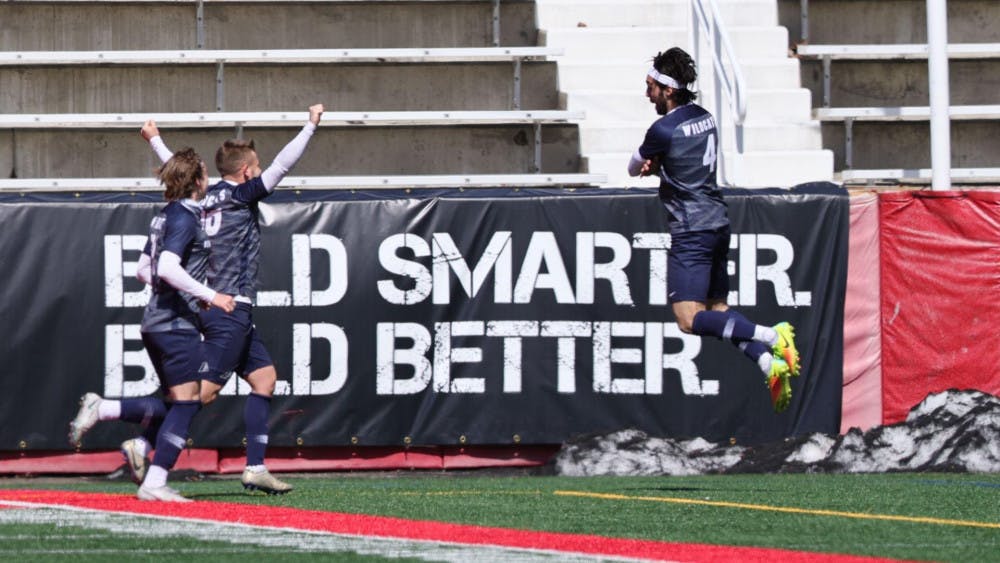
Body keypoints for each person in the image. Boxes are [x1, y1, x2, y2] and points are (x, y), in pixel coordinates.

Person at [124, 104, 325, 494]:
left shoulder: (205, 196)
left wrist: (156, 141)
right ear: (247, 171)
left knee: (264, 378)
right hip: (227, 307)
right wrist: (310, 126)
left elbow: (175, 168)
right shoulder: (241, 196)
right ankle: (144, 442)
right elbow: (283, 165)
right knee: (201, 394)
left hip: (224, 307)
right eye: (256, 165)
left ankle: (255, 467)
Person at [627, 47, 801, 412]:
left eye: (651, 87)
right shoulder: (706, 117)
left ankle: (771, 336)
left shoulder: (662, 129)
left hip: (692, 231)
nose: (647, 95)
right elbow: (684, 165)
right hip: (718, 223)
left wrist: (648, 164)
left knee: (689, 320)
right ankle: (768, 363)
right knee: (718, 310)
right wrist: (660, 167)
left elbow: (632, 165)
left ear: (668, 90)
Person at [70, 148, 237, 501]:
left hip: (157, 321)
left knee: (179, 402)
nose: (209, 179)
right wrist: (210, 294)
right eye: (205, 174)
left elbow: (143, 270)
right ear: (197, 181)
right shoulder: (185, 218)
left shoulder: (165, 216)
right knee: (189, 404)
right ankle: (155, 480)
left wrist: (188, 290)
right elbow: (165, 269)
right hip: (174, 324)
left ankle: (107, 411)